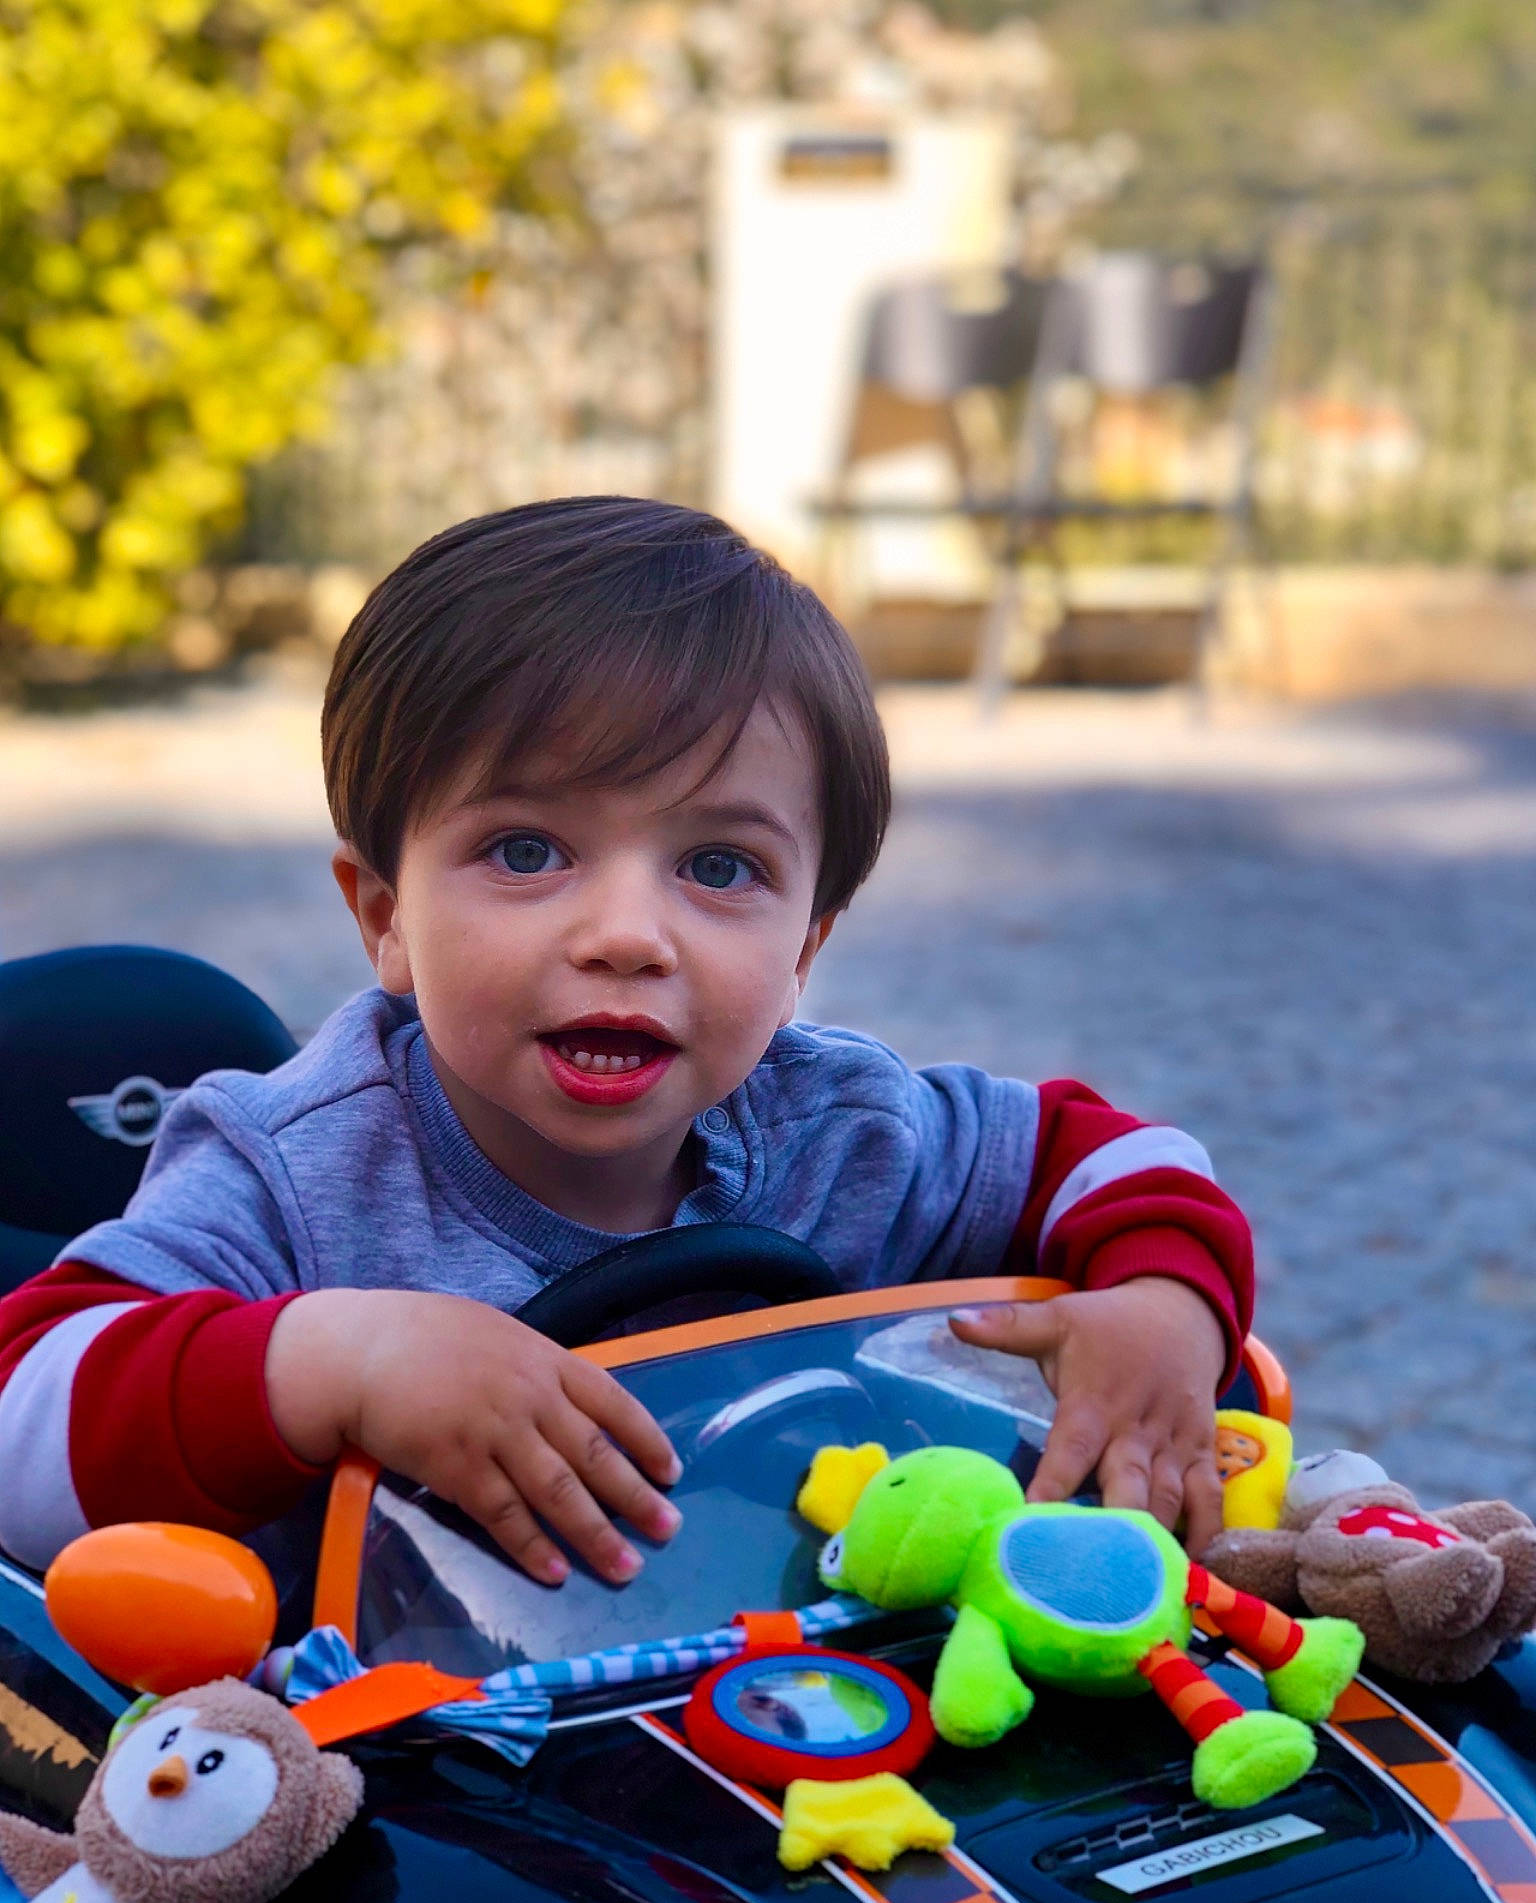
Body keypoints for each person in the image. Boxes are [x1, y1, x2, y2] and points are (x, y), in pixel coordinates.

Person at [0, 499, 1252, 1589]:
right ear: (386, 917)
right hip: (391, 1768)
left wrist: (1161, 1307)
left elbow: (1111, 1159)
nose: (627, 934)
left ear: (806, 946)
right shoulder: (295, 1171)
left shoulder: (842, 1126)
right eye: (528, 851)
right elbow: (21, 1424)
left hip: (801, 1706)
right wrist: (335, 1355)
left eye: (719, 867)